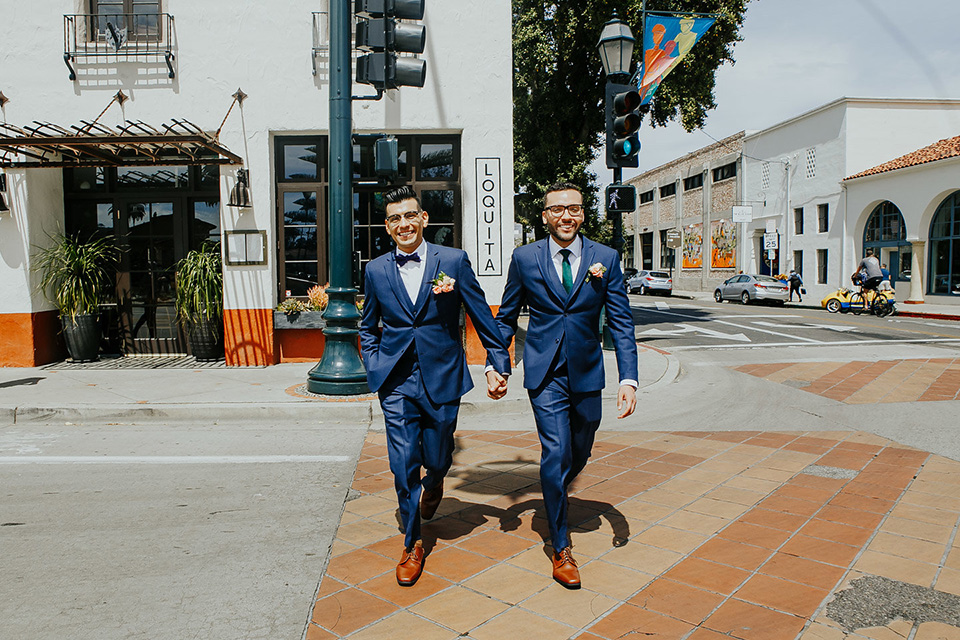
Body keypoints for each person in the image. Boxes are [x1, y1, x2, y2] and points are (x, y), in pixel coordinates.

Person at [359, 186, 511, 587]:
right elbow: (368, 325)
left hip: (442, 376)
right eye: (394, 219)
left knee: (439, 454)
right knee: (403, 462)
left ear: (424, 219)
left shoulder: (453, 261)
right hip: (396, 380)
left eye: (410, 216)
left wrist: (499, 362)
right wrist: (374, 364)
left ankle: (438, 479)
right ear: (387, 226)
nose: (403, 224)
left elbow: (481, 314)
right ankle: (412, 543)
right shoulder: (375, 270)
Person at [490, 182, 638, 589]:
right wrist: (496, 363)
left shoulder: (605, 258)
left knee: (581, 447)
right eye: (557, 209)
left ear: (583, 214)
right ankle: (560, 546)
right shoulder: (525, 258)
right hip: (544, 373)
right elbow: (505, 317)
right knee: (554, 454)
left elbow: (622, 323)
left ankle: (553, 487)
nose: (566, 216)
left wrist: (629, 378)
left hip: (588, 372)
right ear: (544, 216)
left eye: (573, 208)